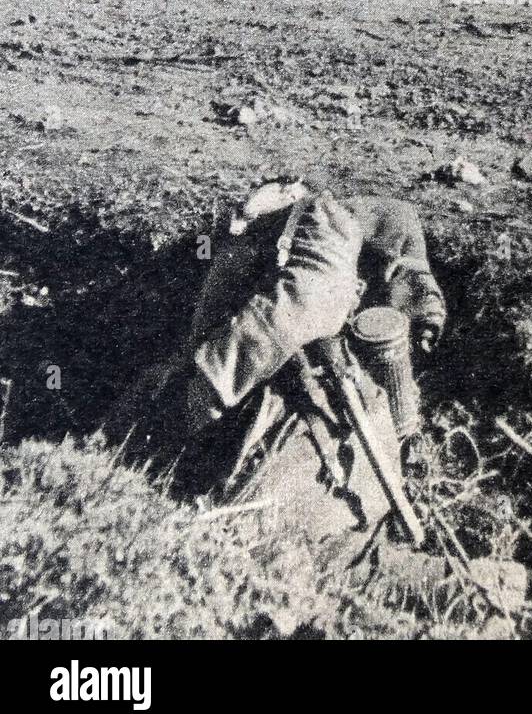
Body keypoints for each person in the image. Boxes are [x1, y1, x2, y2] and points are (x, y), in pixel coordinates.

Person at [106, 178, 446, 549]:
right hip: (240, 353)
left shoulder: (328, 223)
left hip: (267, 333)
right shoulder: (278, 239)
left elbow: (287, 314)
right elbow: (269, 321)